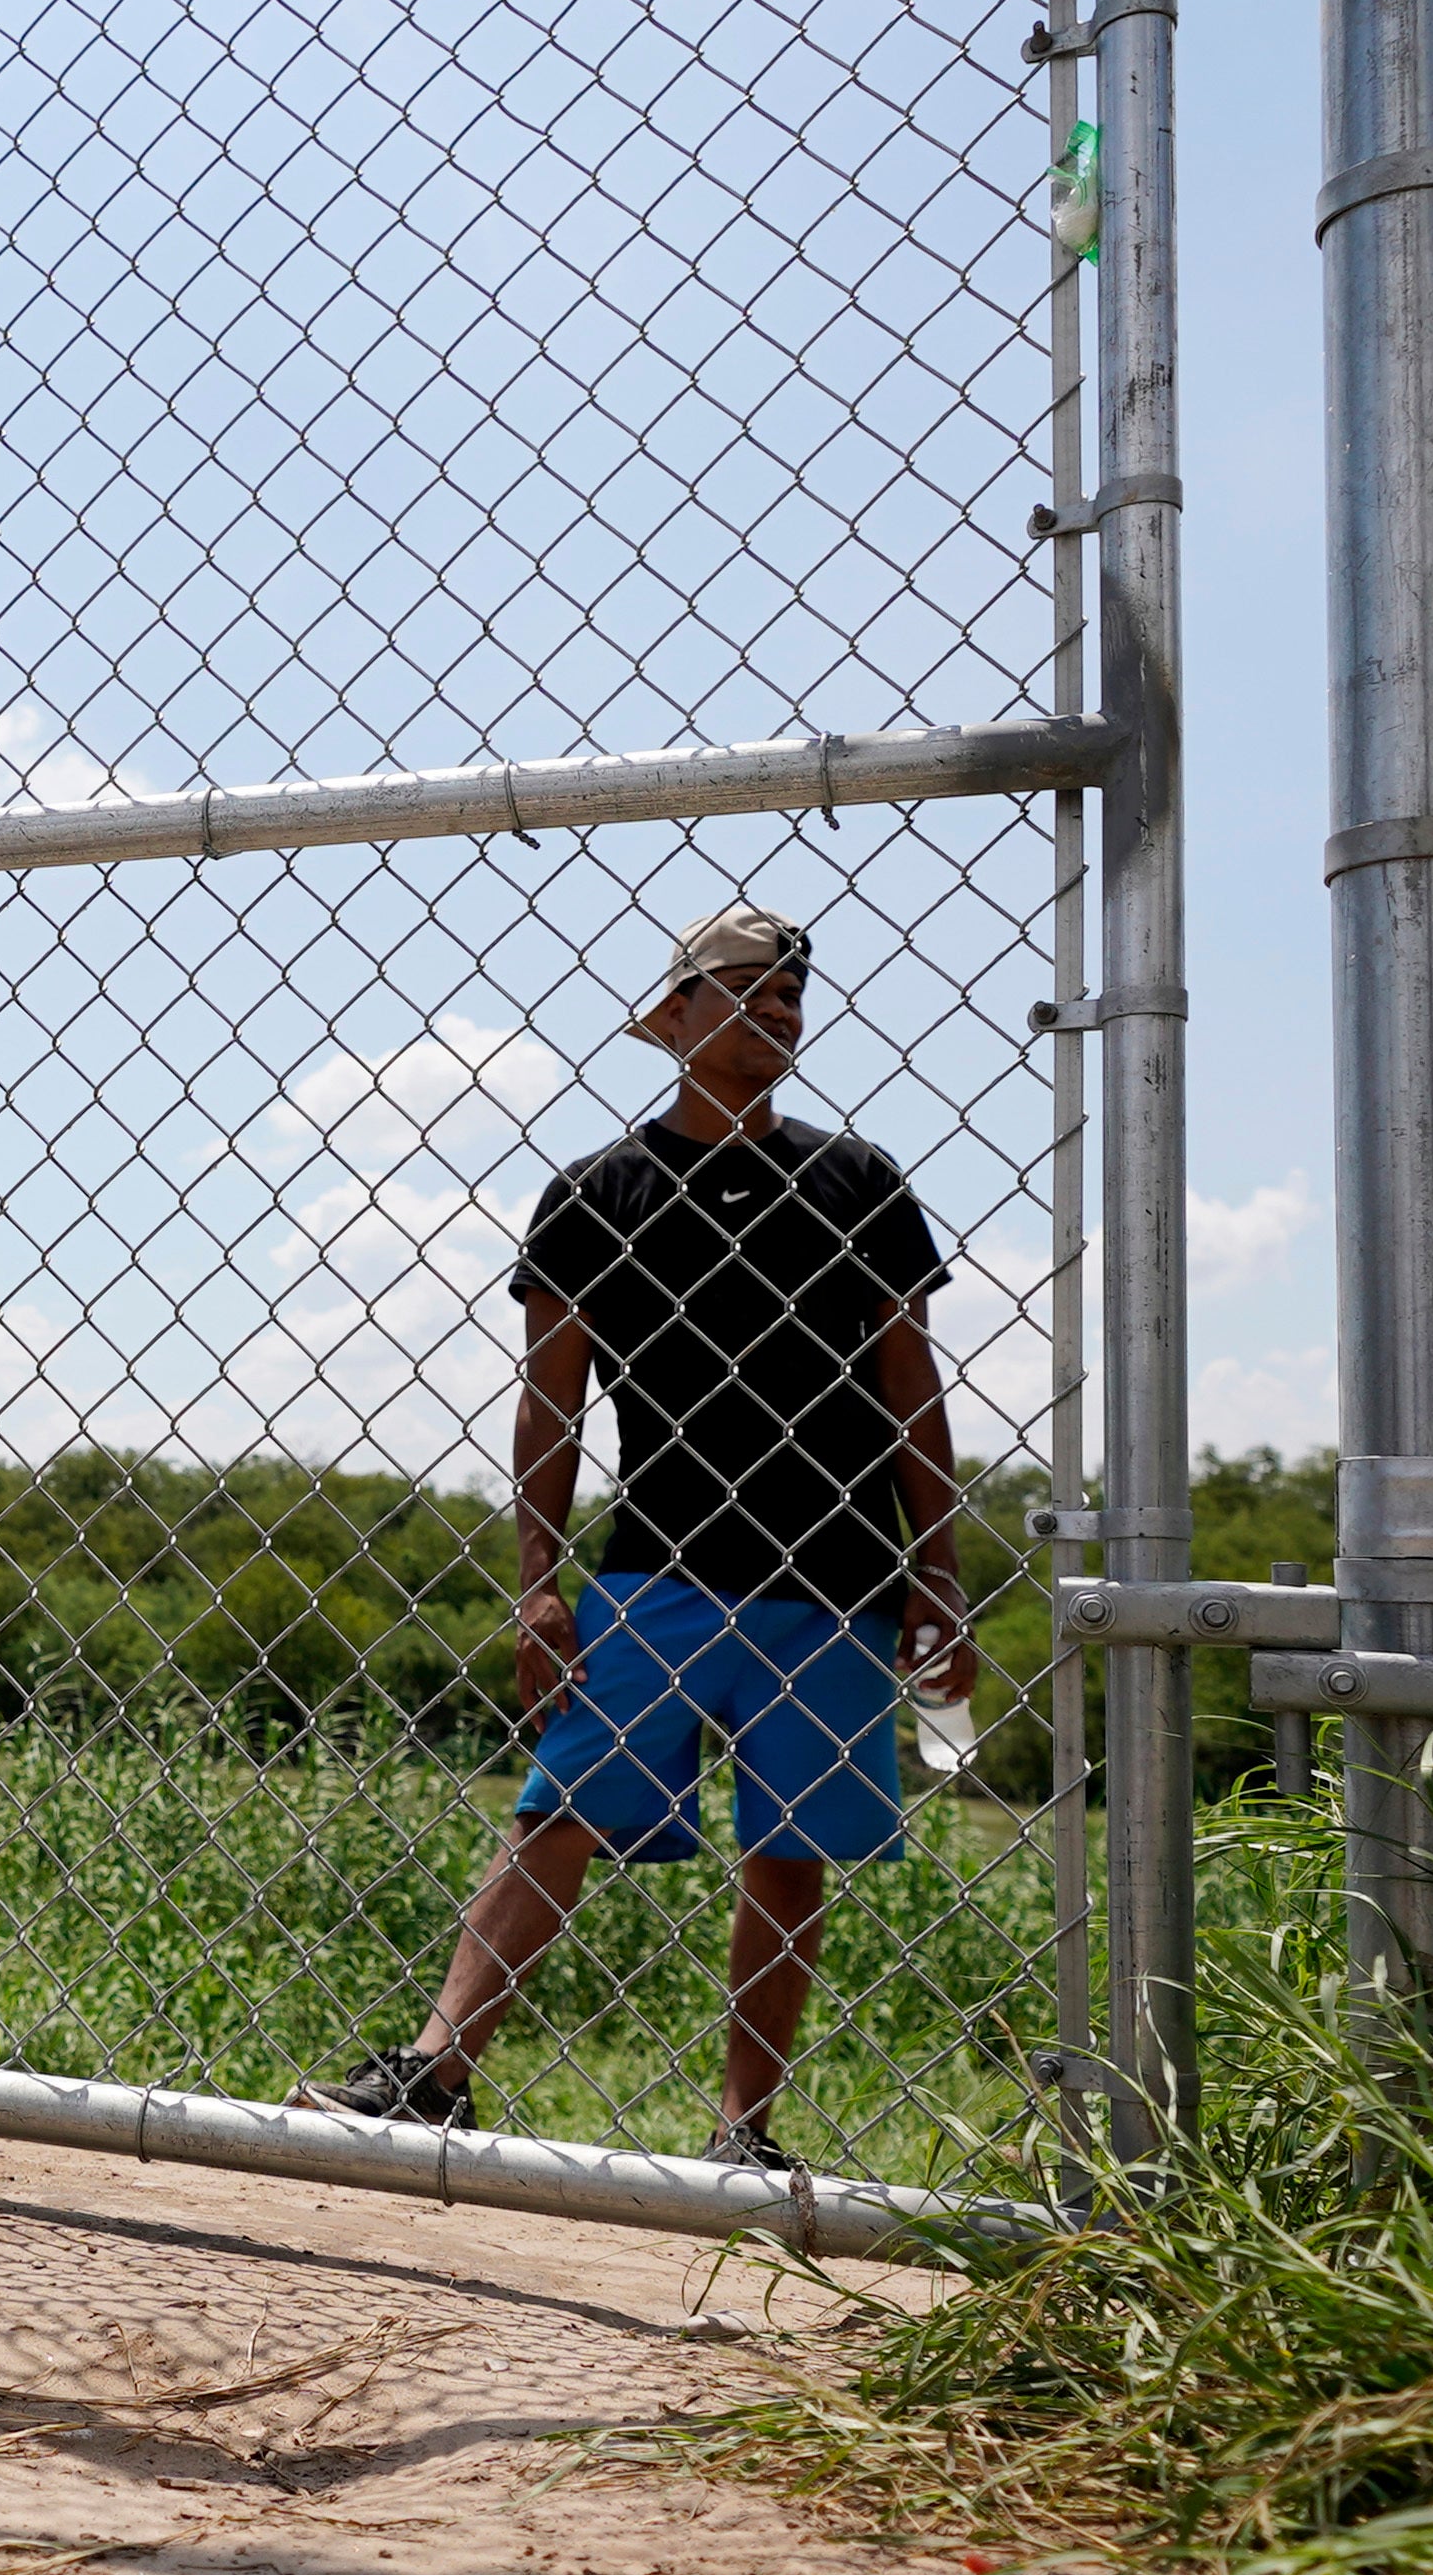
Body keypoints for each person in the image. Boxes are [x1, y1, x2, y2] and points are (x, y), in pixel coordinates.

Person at [300, 904, 976, 2164]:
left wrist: (938, 1572)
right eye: (748, 991)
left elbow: (911, 1390)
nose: (778, 1012)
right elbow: (549, 1400)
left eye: (792, 997)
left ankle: (742, 2136)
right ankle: (436, 2074)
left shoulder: (860, 1182)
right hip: (658, 1569)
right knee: (557, 1810)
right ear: (674, 1015)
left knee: (789, 1854)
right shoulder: (597, 1193)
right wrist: (537, 1584)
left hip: (836, 1581)